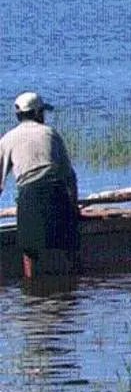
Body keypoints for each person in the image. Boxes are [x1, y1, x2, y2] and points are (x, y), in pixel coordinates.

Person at [0, 92, 80, 279]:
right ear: (36, 113)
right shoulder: (51, 133)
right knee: (69, 248)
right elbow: (70, 177)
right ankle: (74, 285)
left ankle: (32, 287)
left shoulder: (8, 139)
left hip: (30, 196)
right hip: (57, 193)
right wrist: (73, 208)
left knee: (29, 252)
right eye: (42, 112)